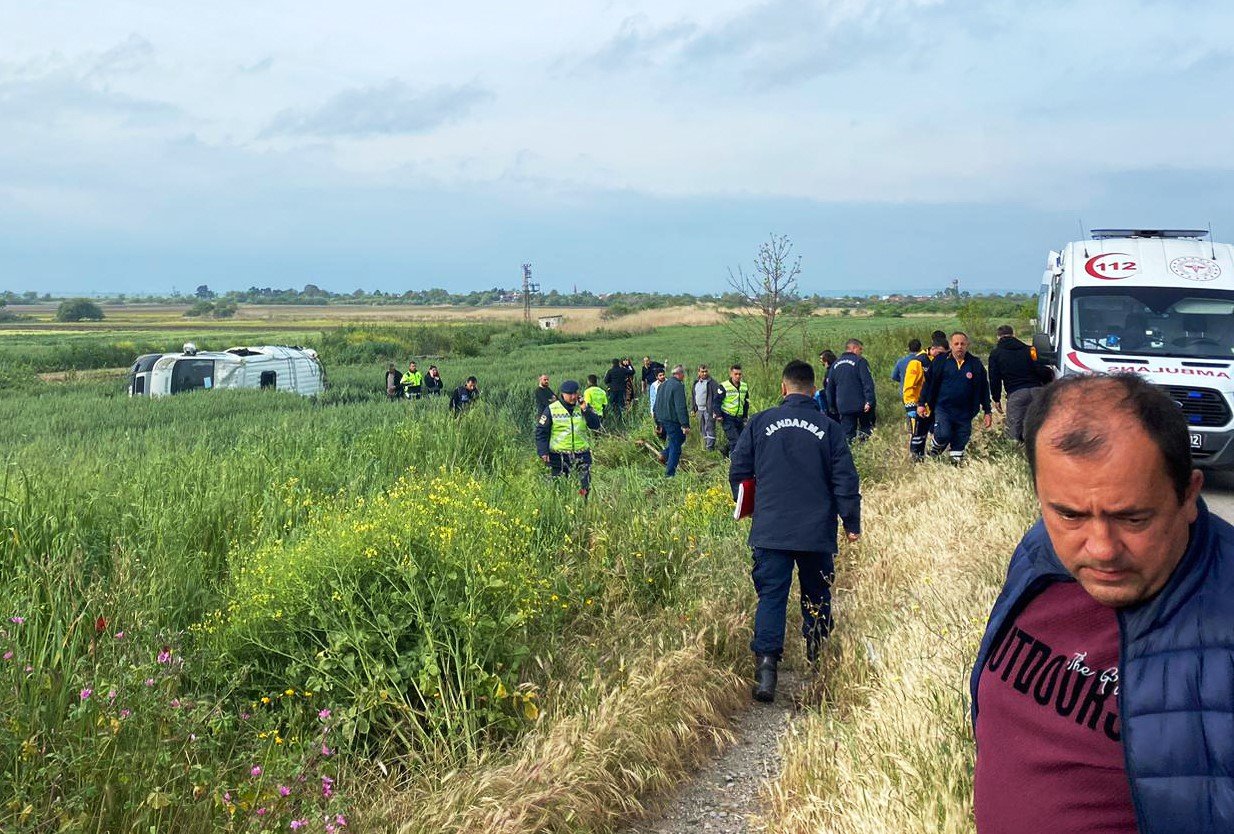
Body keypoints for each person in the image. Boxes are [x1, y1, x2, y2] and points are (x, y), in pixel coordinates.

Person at [971, 373, 1228, 834]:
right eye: (1069, 514)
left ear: (1188, 494)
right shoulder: (1039, 555)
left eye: (1132, 517)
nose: (1101, 548)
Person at [729, 360, 861, 703]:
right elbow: (845, 479)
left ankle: (767, 671)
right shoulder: (829, 427)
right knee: (817, 595)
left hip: (770, 529)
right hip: (815, 531)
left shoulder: (760, 422)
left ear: (783, 388)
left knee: (771, 597)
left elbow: (739, 470)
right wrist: (851, 523)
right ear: (813, 389)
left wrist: (748, 507)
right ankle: (819, 664)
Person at [920, 332, 993, 464]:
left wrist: (987, 411)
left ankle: (955, 468)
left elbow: (984, 388)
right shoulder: (940, 361)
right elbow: (928, 383)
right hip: (944, 408)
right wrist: (921, 403)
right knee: (944, 434)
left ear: (967, 345)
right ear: (950, 345)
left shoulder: (975, 364)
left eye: (962, 344)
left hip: (966, 411)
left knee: (960, 440)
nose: (959, 346)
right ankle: (934, 450)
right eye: (956, 344)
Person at [535, 379, 602, 497]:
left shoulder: (583, 407)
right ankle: (564, 508)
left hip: (581, 454)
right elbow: (541, 431)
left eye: (575, 393)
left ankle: (582, 505)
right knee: (559, 488)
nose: (573, 397)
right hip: (558, 455)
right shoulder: (552, 409)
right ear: (563, 394)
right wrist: (543, 451)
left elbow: (595, 425)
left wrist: (585, 410)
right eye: (570, 394)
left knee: (584, 486)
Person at [988, 324, 1052, 442]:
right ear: (1014, 334)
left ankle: (1016, 457)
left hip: (1016, 394)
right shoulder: (1030, 350)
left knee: (1014, 433)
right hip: (1037, 391)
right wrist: (1049, 383)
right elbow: (1040, 368)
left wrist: (996, 398)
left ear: (998, 337)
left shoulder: (995, 354)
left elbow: (994, 378)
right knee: (1039, 428)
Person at [902, 336, 948, 461]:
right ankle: (916, 460)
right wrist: (911, 406)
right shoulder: (918, 362)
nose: (941, 356)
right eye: (939, 353)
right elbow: (909, 386)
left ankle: (933, 456)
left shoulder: (940, 362)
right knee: (918, 436)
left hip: (934, 405)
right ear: (933, 349)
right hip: (918, 406)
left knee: (941, 433)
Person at [824, 339, 876, 443]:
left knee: (848, 435)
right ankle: (865, 451)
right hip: (861, 405)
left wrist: (832, 406)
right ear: (854, 348)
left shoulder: (835, 365)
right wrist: (869, 401)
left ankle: (851, 453)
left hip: (843, 406)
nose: (861, 352)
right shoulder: (860, 362)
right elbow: (867, 383)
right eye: (860, 349)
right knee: (865, 430)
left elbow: (830, 388)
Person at [652, 364, 690, 477]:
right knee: (676, 447)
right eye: (683, 374)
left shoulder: (663, 385)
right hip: (672, 420)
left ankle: (664, 454)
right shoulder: (678, 386)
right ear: (680, 374)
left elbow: (655, 405)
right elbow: (680, 406)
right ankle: (670, 474)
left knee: (679, 439)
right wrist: (685, 424)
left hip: (662, 418)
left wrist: (657, 422)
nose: (684, 377)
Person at [715, 365, 750, 457]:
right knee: (735, 441)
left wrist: (745, 416)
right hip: (727, 417)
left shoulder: (744, 386)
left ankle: (725, 450)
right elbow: (716, 402)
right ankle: (735, 462)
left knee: (742, 439)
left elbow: (746, 403)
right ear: (731, 374)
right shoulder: (724, 386)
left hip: (739, 417)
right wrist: (719, 415)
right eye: (736, 374)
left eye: (740, 374)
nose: (738, 376)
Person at [692, 365, 721, 451]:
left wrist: (716, 411)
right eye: (702, 372)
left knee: (710, 428)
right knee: (702, 429)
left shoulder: (712, 383)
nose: (704, 373)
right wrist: (693, 409)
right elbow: (694, 397)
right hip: (699, 410)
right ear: (698, 372)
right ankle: (704, 446)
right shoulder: (696, 383)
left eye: (706, 371)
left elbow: (717, 397)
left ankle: (710, 448)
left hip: (709, 410)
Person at [815, 350, 839, 420]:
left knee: (817, 395)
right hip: (833, 397)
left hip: (832, 399)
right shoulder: (834, 368)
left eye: (821, 359)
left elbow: (829, 388)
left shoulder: (831, 371)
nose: (820, 361)